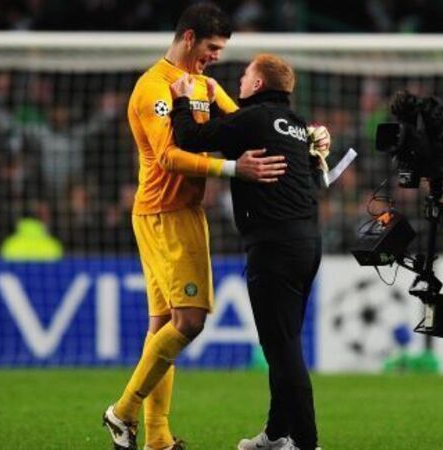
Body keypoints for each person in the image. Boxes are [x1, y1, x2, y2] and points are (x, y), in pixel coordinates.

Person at [101, 4, 287, 450]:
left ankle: (157, 438)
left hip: (180, 212)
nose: (216, 56)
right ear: (189, 38)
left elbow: (249, 127)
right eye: (212, 47)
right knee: (190, 321)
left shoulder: (205, 86)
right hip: (164, 213)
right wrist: (233, 169)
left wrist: (307, 136)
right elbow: (169, 157)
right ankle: (122, 412)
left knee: (164, 323)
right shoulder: (153, 87)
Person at [169, 54, 324, 450]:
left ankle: (307, 443)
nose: (239, 81)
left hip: (274, 248)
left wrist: (182, 100)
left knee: (282, 350)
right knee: (284, 343)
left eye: (245, 75)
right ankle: (275, 434)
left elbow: (190, 140)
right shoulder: (297, 124)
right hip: (308, 244)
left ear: (257, 85)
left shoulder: (252, 120)